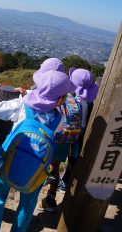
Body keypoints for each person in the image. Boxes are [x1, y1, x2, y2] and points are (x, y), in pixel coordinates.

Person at [0, 70, 76, 232]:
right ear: (60, 99)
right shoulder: (59, 118)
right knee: (27, 206)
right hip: (36, 170)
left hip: (8, 162)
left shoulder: (22, 105)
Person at [39, 68, 99, 212]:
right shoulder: (86, 102)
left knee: (52, 168)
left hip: (58, 139)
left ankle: (49, 198)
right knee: (60, 167)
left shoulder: (65, 98)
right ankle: (52, 196)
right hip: (69, 140)